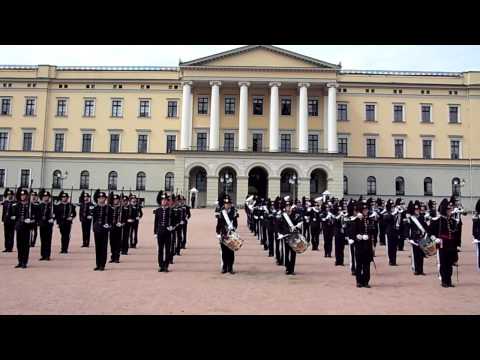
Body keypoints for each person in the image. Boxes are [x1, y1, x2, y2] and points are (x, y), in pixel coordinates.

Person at [429, 198, 460, 287]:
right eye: (448, 209)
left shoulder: (452, 221)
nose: (450, 211)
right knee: (443, 263)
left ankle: (449, 281)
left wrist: (456, 245)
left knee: (450, 263)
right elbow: (429, 231)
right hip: (442, 244)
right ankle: (444, 281)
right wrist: (435, 239)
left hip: (451, 245)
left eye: (450, 209)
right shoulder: (437, 220)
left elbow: (455, 234)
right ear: (444, 210)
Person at [277, 198, 303, 275]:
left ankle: (292, 269)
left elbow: (299, 222)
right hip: (286, 236)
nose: (288, 207)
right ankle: (287, 268)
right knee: (286, 252)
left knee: (293, 253)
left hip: (294, 236)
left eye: (289, 206)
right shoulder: (282, 215)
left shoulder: (295, 214)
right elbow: (279, 225)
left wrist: (298, 225)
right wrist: (280, 233)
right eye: (286, 206)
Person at [11, 188, 37, 268]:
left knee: (25, 246)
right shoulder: (17, 205)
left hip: (27, 228)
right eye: (21, 195)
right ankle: (20, 261)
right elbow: (14, 216)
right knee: (19, 245)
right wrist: (14, 218)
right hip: (19, 227)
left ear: (27, 196)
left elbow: (36, 217)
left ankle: (24, 262)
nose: (22, 197)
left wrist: (31, 220)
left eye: (24, 195)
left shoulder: (31, 206)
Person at [352, 201, 375, 288]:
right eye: (364, 210)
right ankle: (359, 281)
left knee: (366, 264)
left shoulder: (370, 219)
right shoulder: (356, 220)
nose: (365, 211)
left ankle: (366, 281)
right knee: (359, 264)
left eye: (366, 209)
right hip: (359, 245)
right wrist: (357, 236)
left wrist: (368, 236)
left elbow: (373, 230)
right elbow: (352, 232)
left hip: (367, 245)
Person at [215, 194, 239, 274]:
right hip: (223, 234)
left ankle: (230, 267)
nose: (227, 205)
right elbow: (218, 224)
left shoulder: (233, 212)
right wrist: (218, 233)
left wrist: (233, 228)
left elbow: (235, 223)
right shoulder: (221, 212)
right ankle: (224, 267)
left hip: (231, 234)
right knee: (224, 251)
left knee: (231, 252)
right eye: (226, 204)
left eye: (228, 204)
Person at [154, 191, 175, 272]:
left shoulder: (171, 210)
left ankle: (166, 265)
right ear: (161, 201)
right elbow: (156, 222)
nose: (164, 201)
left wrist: (172, 227)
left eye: (165, 200)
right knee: (160, 249)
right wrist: (155, 232)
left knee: (167, 249)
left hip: (168, 232)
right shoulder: (158, 210)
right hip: (160, 232)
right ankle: (161, 265)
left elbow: (174, 221)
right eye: (163, 200)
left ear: (167, 201)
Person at [92, 191, 112, 271]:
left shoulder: (109, 208)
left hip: (104, 230)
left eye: (103, 198)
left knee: (103, 247)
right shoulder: (95, 208)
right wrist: (93, 228)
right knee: (98, 247)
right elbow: (94, 220)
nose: (101, 199)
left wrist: (109, 225)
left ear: (105, 199)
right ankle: (97, 264)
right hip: (97, 229)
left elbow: (111, 219)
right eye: (99, 198)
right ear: (97, 199)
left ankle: (102, 265)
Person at [406, 200, 428, 276]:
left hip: (422, 237)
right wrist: (409, 238)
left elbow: (426, 227)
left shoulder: (422, 217)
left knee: (421, 254)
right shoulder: (411, 218)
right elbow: (407, 228)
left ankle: (421, 270)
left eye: (418, 209)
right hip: (414, 238)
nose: (417, 211)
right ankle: (416, 269)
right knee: (415, 255)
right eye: (415, 209)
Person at [38, 189, 55, 261]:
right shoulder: (40, 205)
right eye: (44, 196)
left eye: (47, 196)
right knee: (43, 240)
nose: (46, 198)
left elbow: (56, 214)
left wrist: (53, 218)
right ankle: (43, 255)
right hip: (42, 225)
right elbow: (37, 215)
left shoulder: (51, 205)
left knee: (48, 240)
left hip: (49, 225)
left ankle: (47, 255)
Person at [109, 193, 125, 263]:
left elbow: (125, 219)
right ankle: (112, 256)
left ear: (119, 200)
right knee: (112, 243)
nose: (115, 201)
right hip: (111, 227)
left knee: (118, 243)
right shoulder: (110, 208)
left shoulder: (121, 209)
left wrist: (121, 224)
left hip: (118, 228)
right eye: (114, 199)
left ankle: (117, 257)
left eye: (116, 199)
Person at [2, 188, 16, 252]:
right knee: (6, 234)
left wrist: (15, 217)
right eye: (8, 195)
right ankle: (6, 247)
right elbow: (4, 212)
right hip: (6, 220)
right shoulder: (5, 202)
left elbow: (16, 212)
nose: (9, 196)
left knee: (11, 235)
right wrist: (3, 219)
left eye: (10, 195)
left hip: (12, 221)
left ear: (12, 196)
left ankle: (10, 248)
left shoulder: (15, 203)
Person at [472, 199, 480, 272]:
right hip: (479, 237)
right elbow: (474, 229)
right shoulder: (476, 217)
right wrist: (475, 237)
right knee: (479, 253)